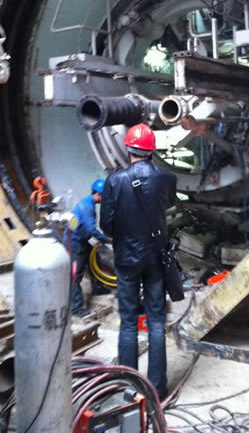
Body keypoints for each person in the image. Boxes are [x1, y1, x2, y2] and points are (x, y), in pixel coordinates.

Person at [100, 123, 177, 400]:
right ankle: (158, 388)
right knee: (156, 321)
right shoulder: (167, 178)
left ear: (128, 149)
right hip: (156, 258)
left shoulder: (115, 181)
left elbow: (106, 226)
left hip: (126, 260)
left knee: (129, 322)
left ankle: (128, 387)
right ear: (151, 151)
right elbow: (168, 206)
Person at [70, 179, 110, 316]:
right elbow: (91, 230)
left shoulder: (89, 202)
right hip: (76, 243)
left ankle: (97, 288)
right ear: (98, 194)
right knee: (76, 275)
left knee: (95, 261)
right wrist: (106, 239)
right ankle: (76, 308)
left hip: (84, 239)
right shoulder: (88, 207)